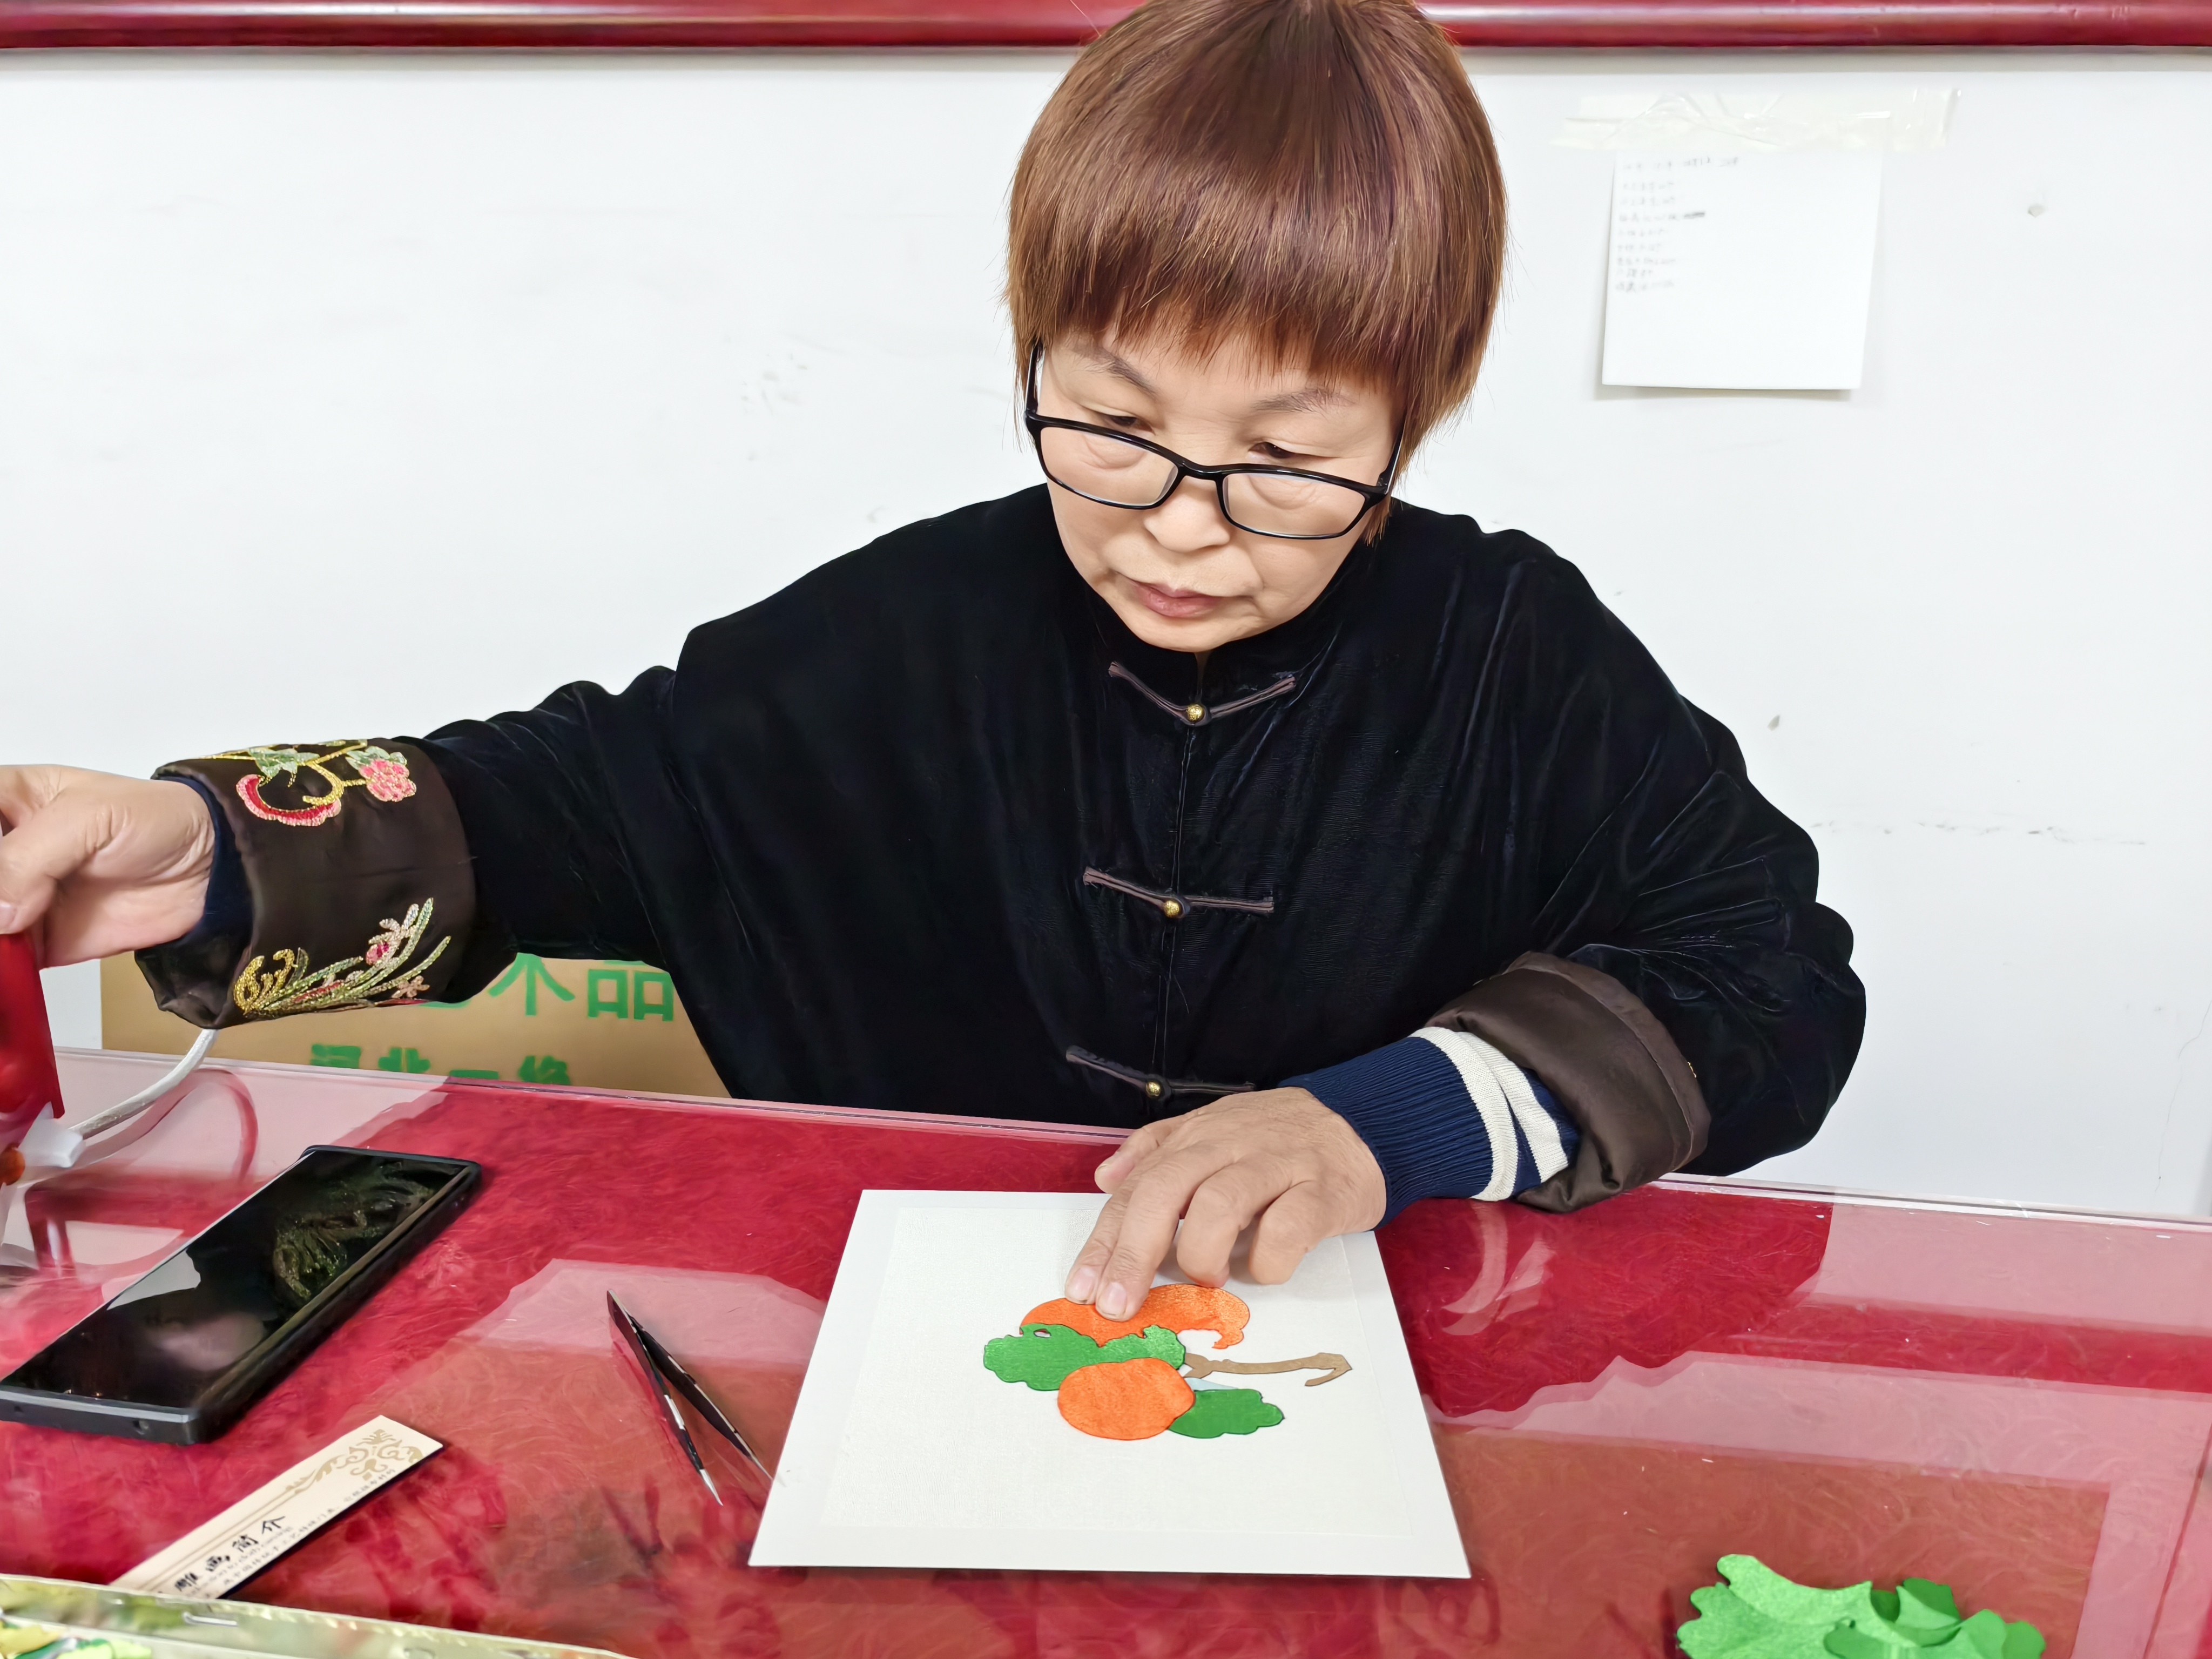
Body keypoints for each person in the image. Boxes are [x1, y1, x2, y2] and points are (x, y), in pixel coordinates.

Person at [0, 0, 1863, 1328]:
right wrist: (205, 842)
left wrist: (1390, 1125)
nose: (1180, 527)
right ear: (1032, 351)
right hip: (904, 1371)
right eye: (1111, 426)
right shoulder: (909, 630)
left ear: (1415, 417)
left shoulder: (1515, 656)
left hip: (1377, 1383)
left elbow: (1772, 980)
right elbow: (567, 806)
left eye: (1287, 461)